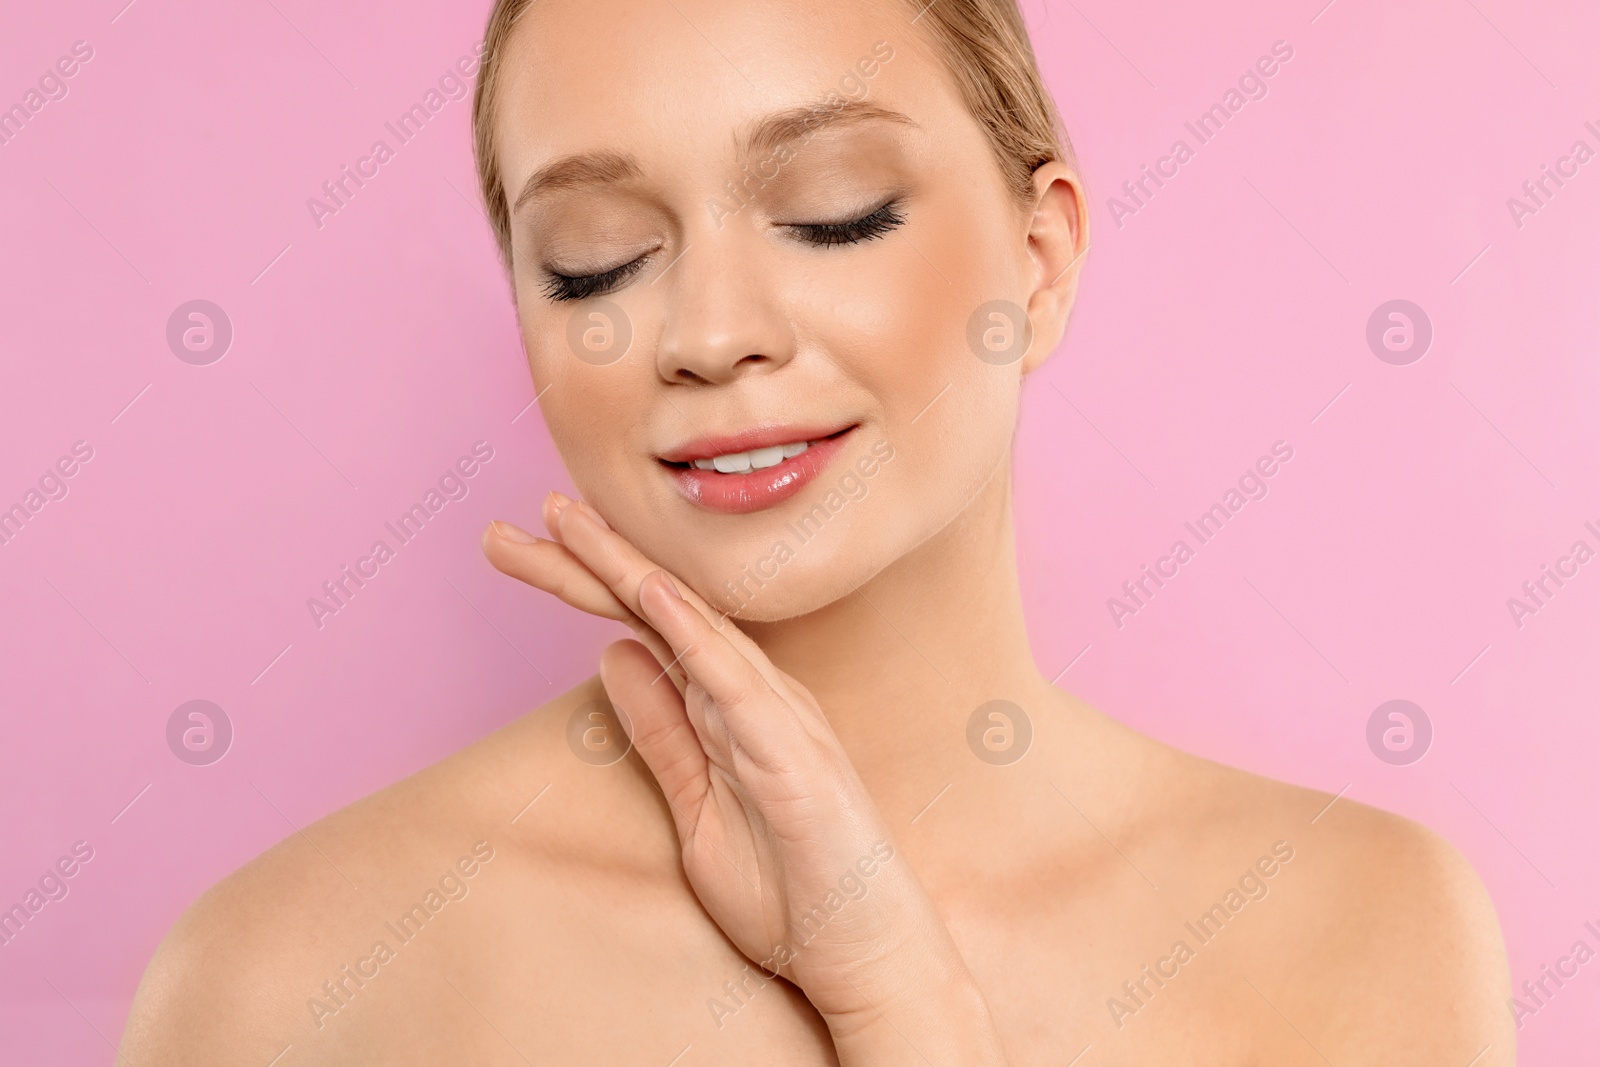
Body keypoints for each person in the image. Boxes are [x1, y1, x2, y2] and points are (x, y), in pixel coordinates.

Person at [121, 0, 1514, 1062]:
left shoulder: (1362, 936)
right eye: (595, 256)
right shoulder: (290, 979)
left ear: (1040, 262)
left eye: (834, 215)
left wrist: (907, 1008)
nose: (712, 334)